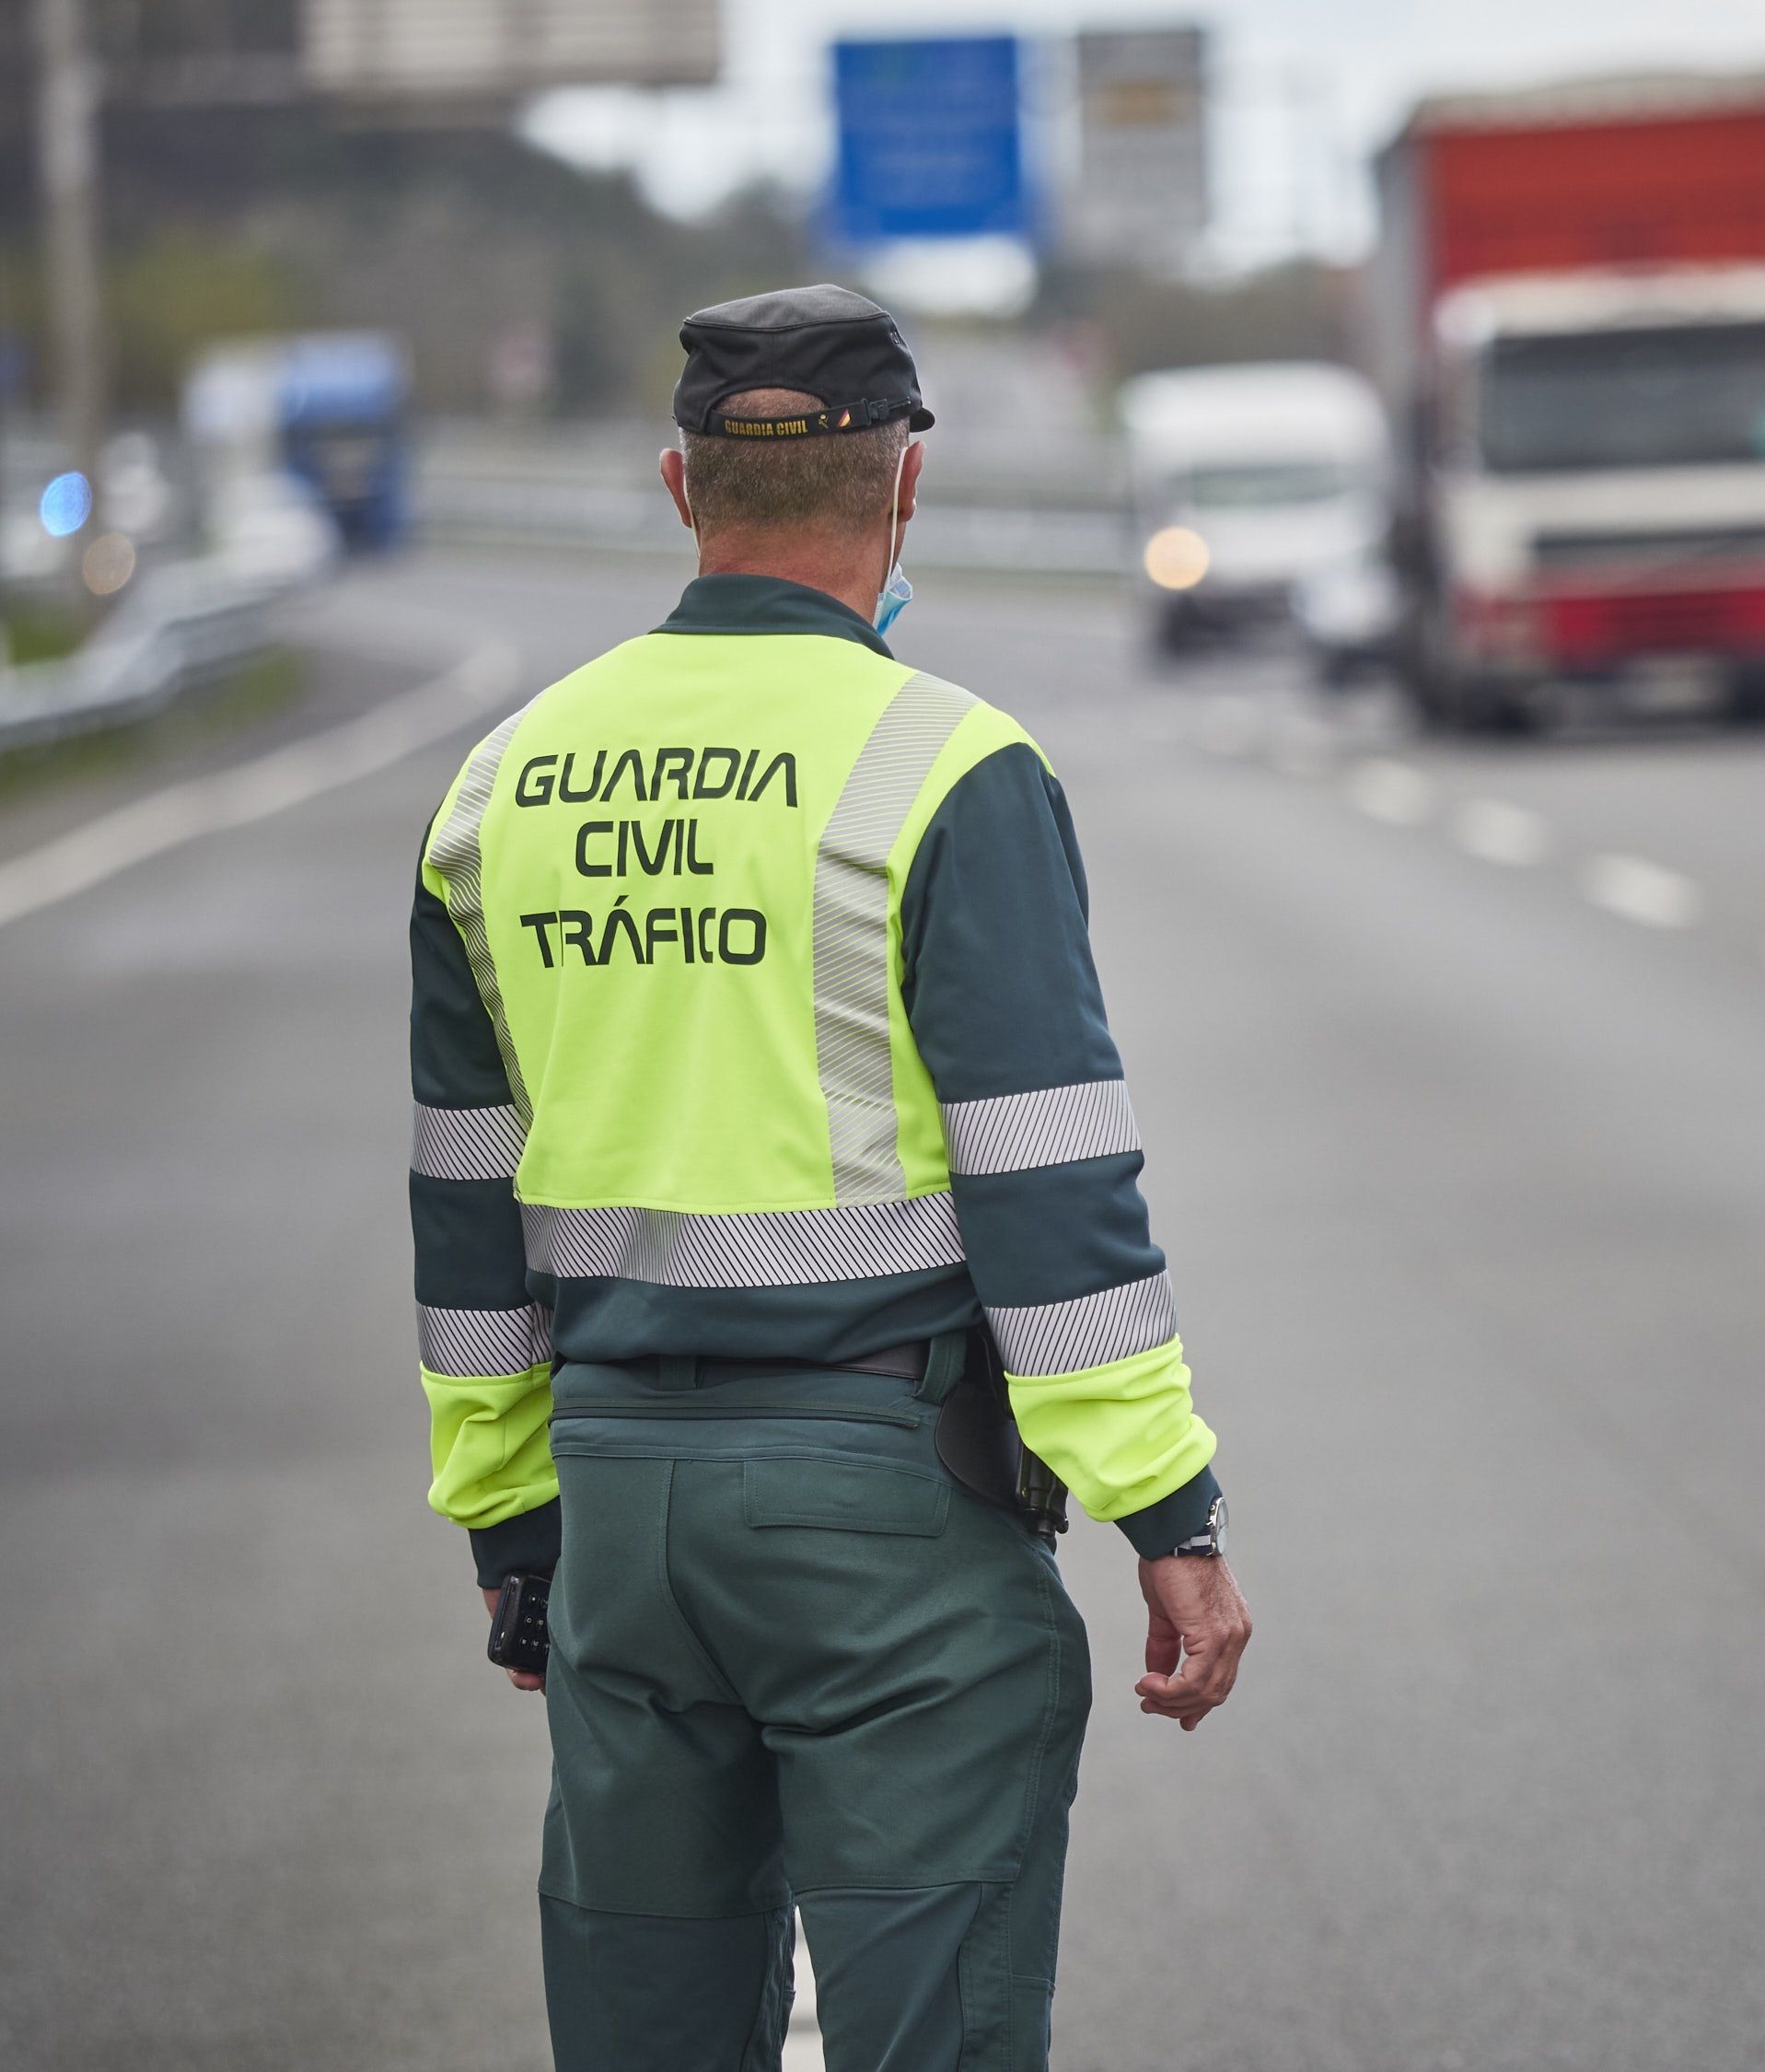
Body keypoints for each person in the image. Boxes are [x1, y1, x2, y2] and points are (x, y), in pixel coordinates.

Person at [405, 283, 1249, 2072]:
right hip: (889, 1524)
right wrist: (1168, 1518)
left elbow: (465, 1209)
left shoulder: (500, 789)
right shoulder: (950, 768)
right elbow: (1051, 1190)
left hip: (622, 1515)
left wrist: (511, 1527)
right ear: (908, 491)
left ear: (675, 484)